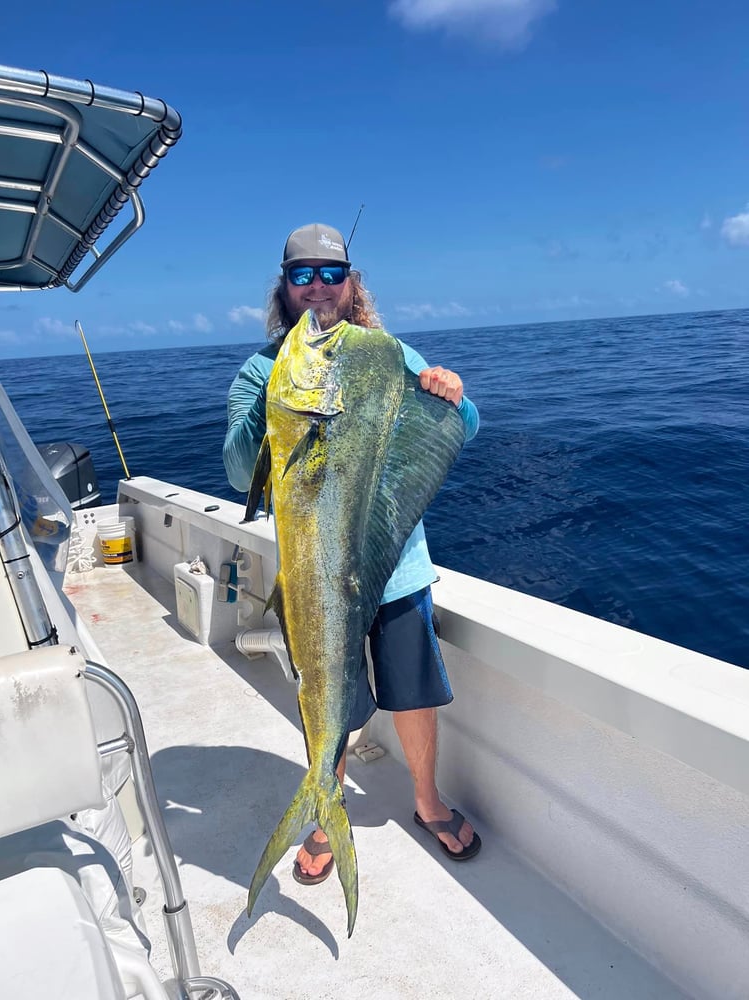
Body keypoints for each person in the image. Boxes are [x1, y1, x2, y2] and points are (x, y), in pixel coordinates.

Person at [223, 223, 481, 882]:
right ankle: (324, 809)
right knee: (325, 689)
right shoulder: (263, 370)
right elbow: (234, 469)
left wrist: (450, 391)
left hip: (395, 569)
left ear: (351, 282)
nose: (317, 288)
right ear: (283, 287)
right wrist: (264, 415)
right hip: (317, 577)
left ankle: (426, 801)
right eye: (301, 275)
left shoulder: (389, 353)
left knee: (414, 693)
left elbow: (466, 423)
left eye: (330, 274)